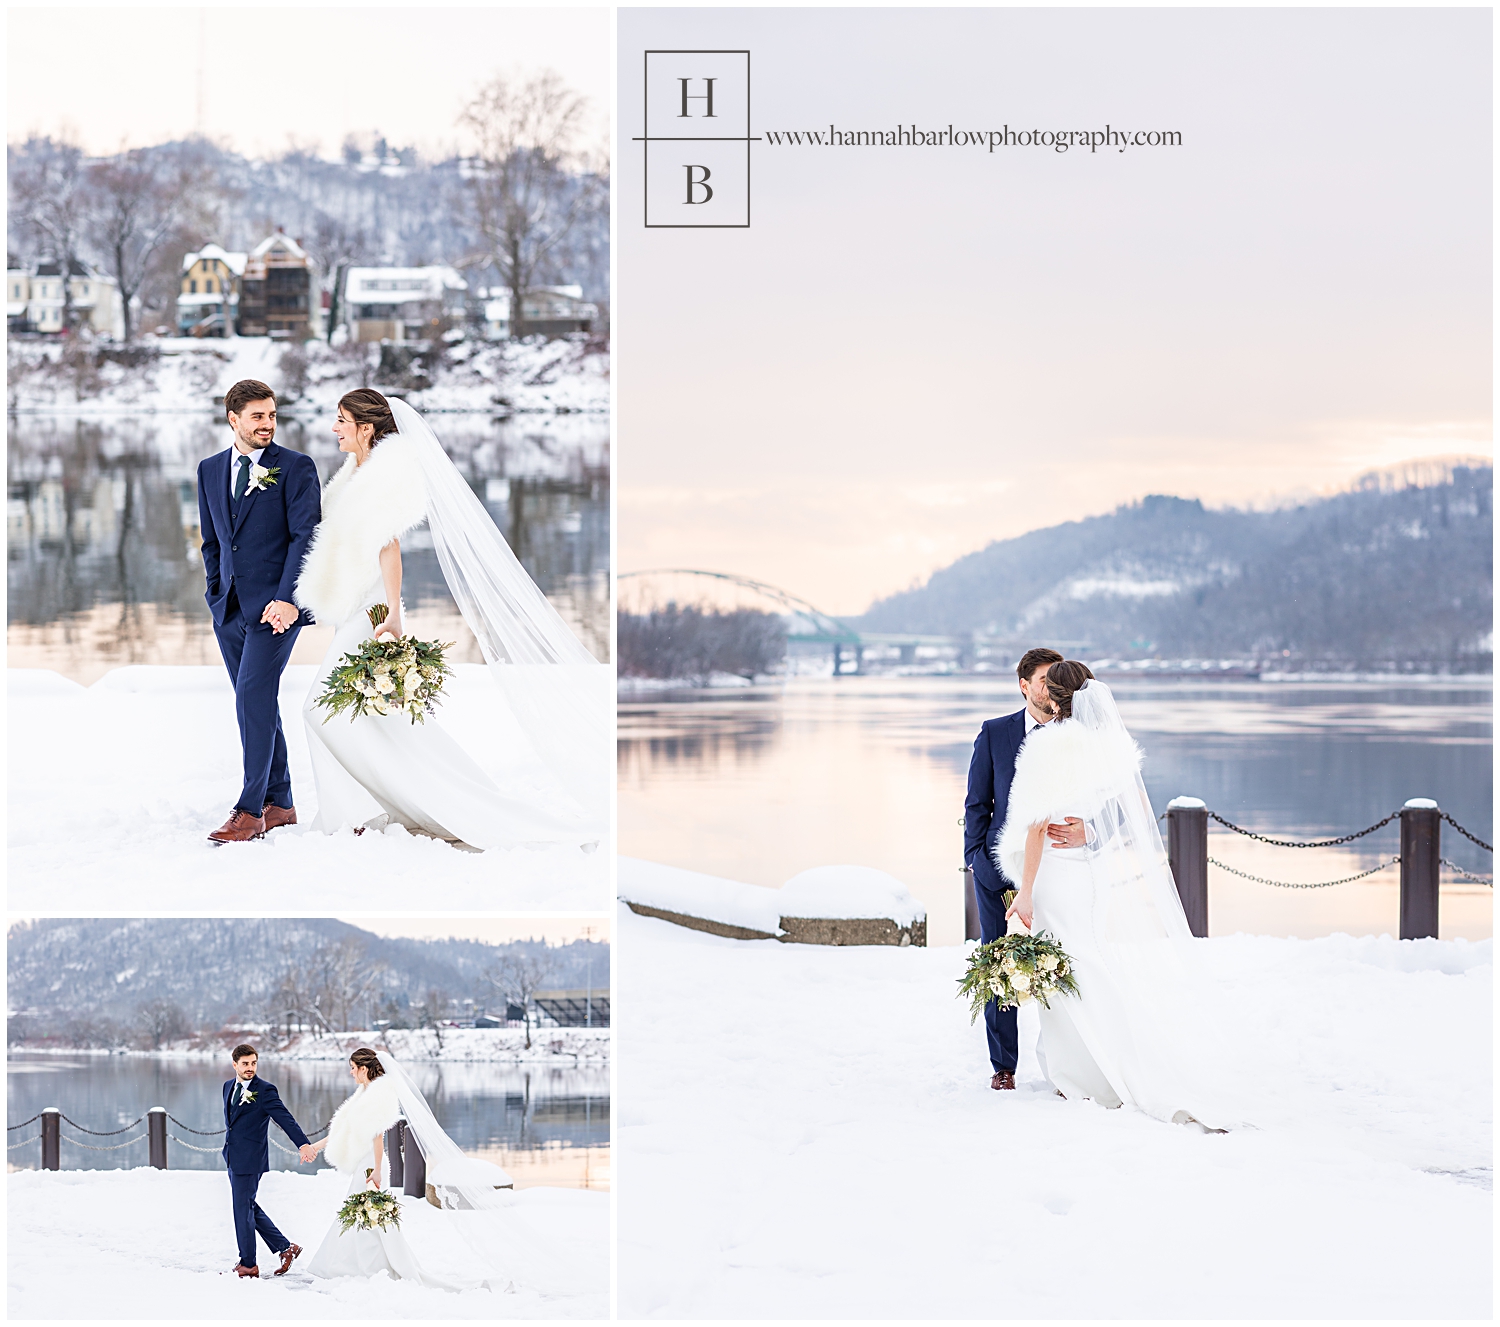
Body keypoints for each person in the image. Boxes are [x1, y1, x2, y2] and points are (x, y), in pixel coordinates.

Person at [291, 389, 607, 850]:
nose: (334, 428)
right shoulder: (355, 470)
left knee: (321, 708)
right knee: (369, 717)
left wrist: (392, 614)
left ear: (366, 427)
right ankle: (363, 811)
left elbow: (389, 545)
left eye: (342, 420)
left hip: (373, 608)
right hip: (353, 604)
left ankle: (414, 802)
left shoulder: (386, 474)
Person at [997, 661, 1227, 1128]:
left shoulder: (1048, 745)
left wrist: (1025, 892)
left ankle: (1087, 1073)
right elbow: (1137, 807)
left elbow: (1037, 827)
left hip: (1056, 878)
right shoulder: (1109, 746)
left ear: (1056, 700)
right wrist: (1092, 833)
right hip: (1091, 876)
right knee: (1089, 962)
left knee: (1067, 969)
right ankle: (1110, 1059)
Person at [196, 379, 321, 844]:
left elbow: (306, 537)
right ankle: (282, 802)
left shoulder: (295, 467)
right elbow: (212, 540)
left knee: (251, 698)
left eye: (271, 415)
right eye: (258, 416)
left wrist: (288, 599)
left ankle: (250, 810)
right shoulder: (209, 469)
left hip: (276, 610)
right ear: (234, 419)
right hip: (228, 608)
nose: (268, 424)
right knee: (257, 702)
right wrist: (214, 593)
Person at [963, 647, 1090, 1089]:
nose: (1050, 687)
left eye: (1056, 680)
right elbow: (978, 804)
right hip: (998, 869)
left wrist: (1087, 833)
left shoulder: (1080, 735)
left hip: (1061, 871)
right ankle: (1004, 1066)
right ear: (1024, 685)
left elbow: (1111, 810)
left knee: (1071, 963)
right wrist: (975, 860)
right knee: (1000, 962)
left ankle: (1072, 1061)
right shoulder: (995, 733)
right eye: (1042, 680)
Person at [301, 1047, 512, 1289]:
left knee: (369, 1215)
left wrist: (377, 1170)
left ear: (363, 1068)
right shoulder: (363, 1093)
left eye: (352, 1067)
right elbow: (343, 1127)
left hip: (372, 1163)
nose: (350, 1073)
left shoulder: (379, 1095)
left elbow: (377, 1136)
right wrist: (315, 1147)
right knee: (363, 1215)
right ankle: (359, 1263)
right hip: (365, 1162)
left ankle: (372, 1266)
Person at [221, 1044, 317, 1278]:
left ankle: (248, 1265)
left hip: (251, 1160)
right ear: (235, 1064)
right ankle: (286, 1248)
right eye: (245, 1064)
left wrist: (303, 1144)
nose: (250, 1068)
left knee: (241, 1209)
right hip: (233, 1157)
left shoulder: (265, 1090)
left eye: (253, 1063)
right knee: (247, 1206)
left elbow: (285, 1118)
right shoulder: (227, 1087)